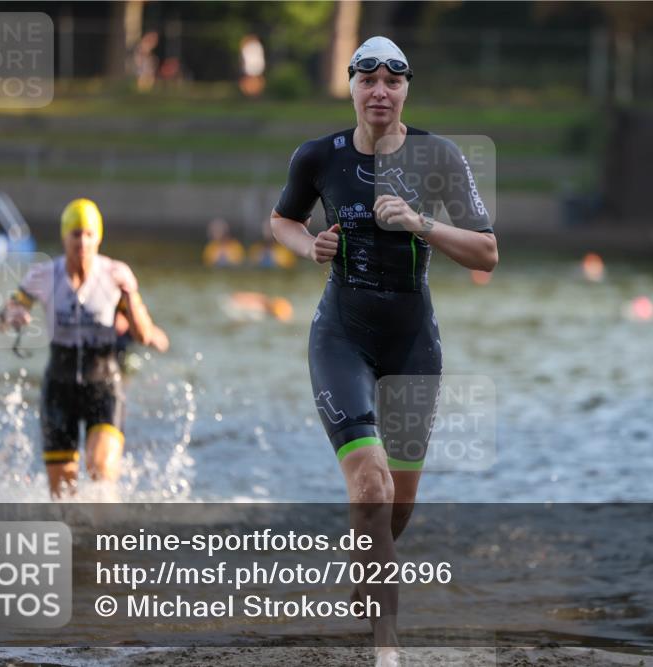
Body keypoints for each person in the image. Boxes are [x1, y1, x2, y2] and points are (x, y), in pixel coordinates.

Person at [270, 36, 497, 666]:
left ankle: (365, 571)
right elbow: (281, 220)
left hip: (412, 345)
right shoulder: (317, 157)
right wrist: (306, 245)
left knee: (394, 508)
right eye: (367, 80)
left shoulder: (440, 158)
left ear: (405, 90)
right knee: (368, 488)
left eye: (391, 83)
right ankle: (385, 649)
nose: (379, 92)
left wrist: (422, 223)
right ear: (351, 86)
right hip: (340, 336)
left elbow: (487, 252)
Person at [0, 199, 169, 498]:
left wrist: (131, 299)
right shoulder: (44, 275)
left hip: (103, 384)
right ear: (64, 236)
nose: (83, 242)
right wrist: (13, 315)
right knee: (62, 493)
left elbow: (142, 335)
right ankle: (75, 544)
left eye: (89, 234)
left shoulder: (116, 274)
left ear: (99, 237)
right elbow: (3, 316)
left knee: (100, 470)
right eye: (76, 234)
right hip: (59, 387)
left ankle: (104, 540)